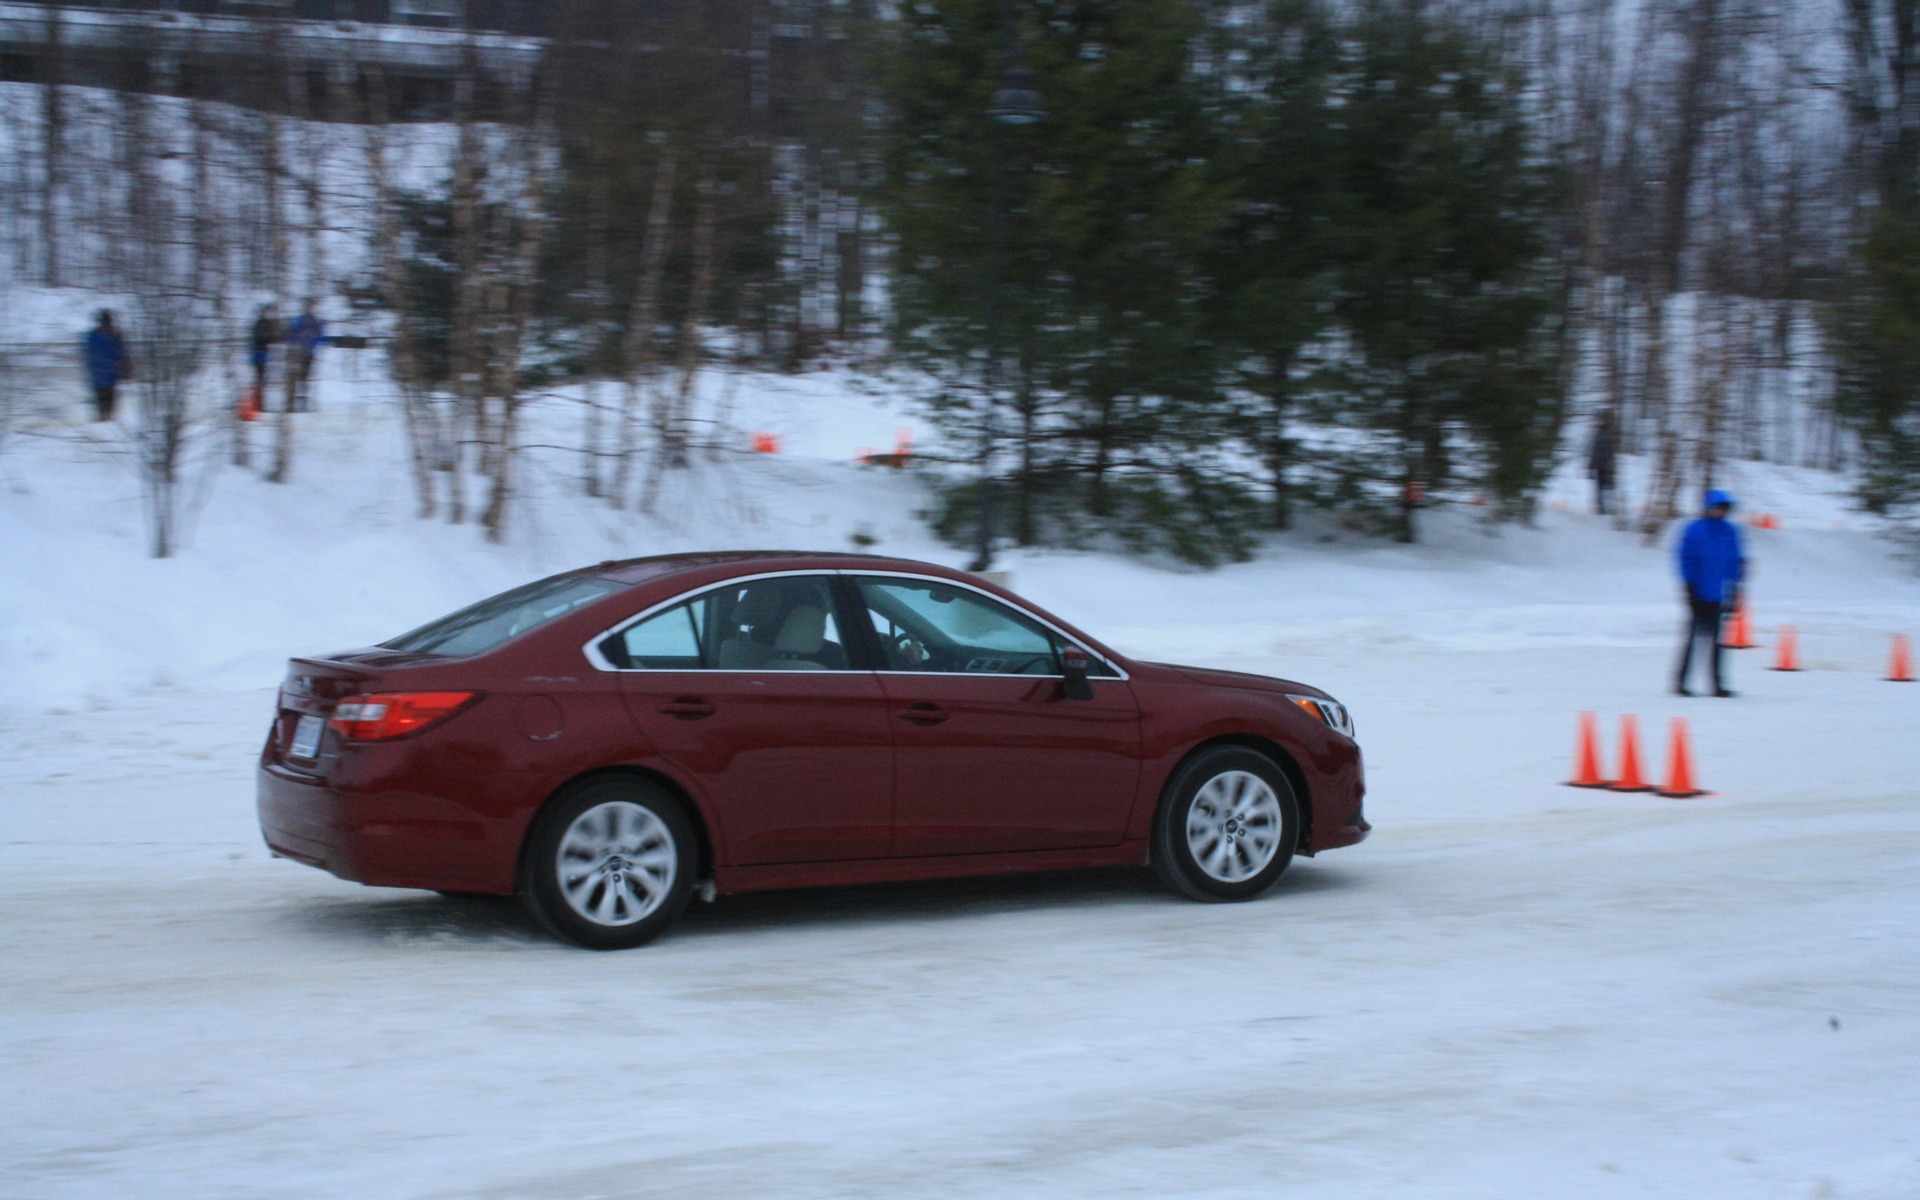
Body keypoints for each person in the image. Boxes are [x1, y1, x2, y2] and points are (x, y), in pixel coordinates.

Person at [1675, 488, 1747, 697]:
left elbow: (1735, 561)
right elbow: (1685, 558)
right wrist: (1689, 586)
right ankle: (1681, 682)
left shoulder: (1730, 531)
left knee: (1718, 642)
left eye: (1723, 508)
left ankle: (1717, 684)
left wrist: (1735, 588)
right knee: (1693, 640)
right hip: (1698, 593)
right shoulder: (1694, 529)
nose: (1720, 512)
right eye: (1717, 508)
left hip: (1719, 594)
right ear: (1708, 507)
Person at [83, 309, 128, 422]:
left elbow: (87, 352)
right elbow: (120, 353)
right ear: (110, 320)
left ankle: (101, 416)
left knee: (100, 394)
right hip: (110, 371)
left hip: (96, 371)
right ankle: (107, 417)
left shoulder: (92, 334)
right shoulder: (114, 334)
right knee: (109, 394)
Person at [284, 298, 326, 413]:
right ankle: (291, 403)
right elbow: (291, 334)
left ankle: (303, 403)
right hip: (298, 353)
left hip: (309, 353)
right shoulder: (299, 320)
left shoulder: (315, 321)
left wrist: (317, 344)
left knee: (305, 378)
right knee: (295, 377)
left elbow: (320, 336)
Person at [248, 304, 280, 408]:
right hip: (259, 355)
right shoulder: (259, 324)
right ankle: (257, 403)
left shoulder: (265, 324)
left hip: (263, 355)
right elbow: (260, 338)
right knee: (259, 380)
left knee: (261, 380)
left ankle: (259, 402)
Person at [1587, 410, 1618, 516]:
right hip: (1601, 465)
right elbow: (1594, 451)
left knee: (1605, 487)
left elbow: (1599, 451)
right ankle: (1602, 507)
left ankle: (1606, 507)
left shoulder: (1605, 433)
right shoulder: (1600, 432)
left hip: (1605, 465)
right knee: (1601, 487)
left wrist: (1591, 465)